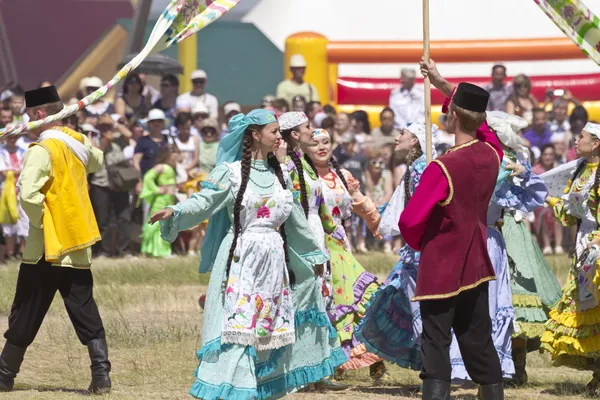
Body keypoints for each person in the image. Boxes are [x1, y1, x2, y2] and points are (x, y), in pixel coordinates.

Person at [150, 109, 346, 398]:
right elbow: (204, 201)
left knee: (269, 329)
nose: (280, 136)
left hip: (274, 262)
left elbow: (295, 221)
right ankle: (235, 389)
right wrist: (175, 211)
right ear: (256, 135)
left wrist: (314, 256)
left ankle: (261, 387)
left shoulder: (280, 173)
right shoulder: (230, 173)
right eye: (274, 131)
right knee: (238, 328)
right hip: (241, 259)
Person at [399, 59, 504, 399]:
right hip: (477, 259)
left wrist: (423, 244)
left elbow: (409, 221)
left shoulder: (442, 166)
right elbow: (485, 128)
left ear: (453, 115)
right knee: (477, 338)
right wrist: (443, 85)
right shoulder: (492, 154)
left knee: (436, 340)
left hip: (441, 262)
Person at [0, 86, 110, 394]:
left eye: (27, 116)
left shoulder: (41, 150)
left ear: (37, 114)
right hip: (76, 244)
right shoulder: (79, 143)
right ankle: (101, 375)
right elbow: (98, 161)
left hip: (46, 247)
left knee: (27, 309)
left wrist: (44, 224)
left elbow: (28, 193)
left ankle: (5, 375)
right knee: (84, 309)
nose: (25, 122)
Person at [484, 112, 561, 386]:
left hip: (509, 230)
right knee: (496, 299)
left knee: (517, 297)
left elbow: (533, 191)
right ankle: (503, 365)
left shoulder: (509, 158)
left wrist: (521, 172)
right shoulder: (491, 155)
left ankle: (516, 367)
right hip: (493, 228)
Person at [355, 121, 436, 376]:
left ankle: (434, 371)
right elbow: (403, 205)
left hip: (422, 252)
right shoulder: (415, 167)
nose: (396, 138)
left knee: (419, 307)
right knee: (399, 301)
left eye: (402, 133)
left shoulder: (424, 167)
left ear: (415, 140)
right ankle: (428, 367)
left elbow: (423, 209)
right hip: (414, 251)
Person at [304, 128, 386, 382]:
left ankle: (374, 356)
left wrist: (378, 222)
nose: (321, 147)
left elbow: (360, 201)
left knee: (360, 295)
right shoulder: (300, 175)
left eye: (326, 142)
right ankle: (334, 360)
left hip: (340, 246)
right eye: (315, 143)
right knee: (328, 302)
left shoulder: (343, 176)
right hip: (312, 244)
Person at [278, 112, 350, 391]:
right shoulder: (287, 166)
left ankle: (318, 369)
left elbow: (318, 203)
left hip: (315, 230)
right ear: (295, 134)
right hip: (299, 234)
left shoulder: (304, 165)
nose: (313, 131)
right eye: (308, 127)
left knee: (320, 299)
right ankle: (297, 372)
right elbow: (291, 207)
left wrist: (332, 230)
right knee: (301, 299)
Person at [541, 122, 600, 396]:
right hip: (583, 249)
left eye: (582, 137)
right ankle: (598, 373)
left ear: (596, 143)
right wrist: (551, 200)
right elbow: (571, 213)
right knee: (585, 311)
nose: (576, 141)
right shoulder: (580, 171)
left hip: (597, 250)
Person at [89, 114, 133, 258]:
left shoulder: (120, 139)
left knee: (123, 217)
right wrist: (105, 141)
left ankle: (124, 250)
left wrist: (114, 124)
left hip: (120, 183)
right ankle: (104, 251)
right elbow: (96, 156)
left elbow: (129, 134)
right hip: (101, 183)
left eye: (107, 126)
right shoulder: (93, 140)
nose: (105, 129)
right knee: (103, 219)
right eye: (102, 126)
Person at [139, 145, 179, 258]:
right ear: (169, 155)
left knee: (166, 224)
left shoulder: (171, 168)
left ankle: (162, 251)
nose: (177, 155)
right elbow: (148, 177)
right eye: (174, 153)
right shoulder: (162, 166)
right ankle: (149, 250)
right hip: (161, 200)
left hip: (169, 199)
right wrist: (157, 189)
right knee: (156, 222)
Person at [0, 135, 28, 259]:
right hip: (6, 190)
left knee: (25, 221)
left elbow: (26, 169)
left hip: (22, 189)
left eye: (14, 136)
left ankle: (22, 254)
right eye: (9, 136)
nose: (12, 138)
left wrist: (12, 171)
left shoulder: (24, 149)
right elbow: (4, 173)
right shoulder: (1, 151)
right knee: (8, 222)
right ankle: (10, 254)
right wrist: (19, 171)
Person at [532, 144, 564, 254]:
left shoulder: (559, 169)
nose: (548, 157)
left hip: (556, 200)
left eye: (550, 154)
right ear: (541, 156)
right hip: (539, 203)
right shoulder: (535, 171)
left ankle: (559, 245)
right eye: (545, 154)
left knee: (557, 210)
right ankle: (547, 246)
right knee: (545, 212)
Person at [133, 109, 172, 177]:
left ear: (163, 123)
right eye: (153, 121)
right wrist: (139, 179)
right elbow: (136, 162)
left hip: (166, 179)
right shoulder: (142, 141)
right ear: (148, 124)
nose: (156, 123)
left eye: (159, 121)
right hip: (147, 180)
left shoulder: (169, 139)